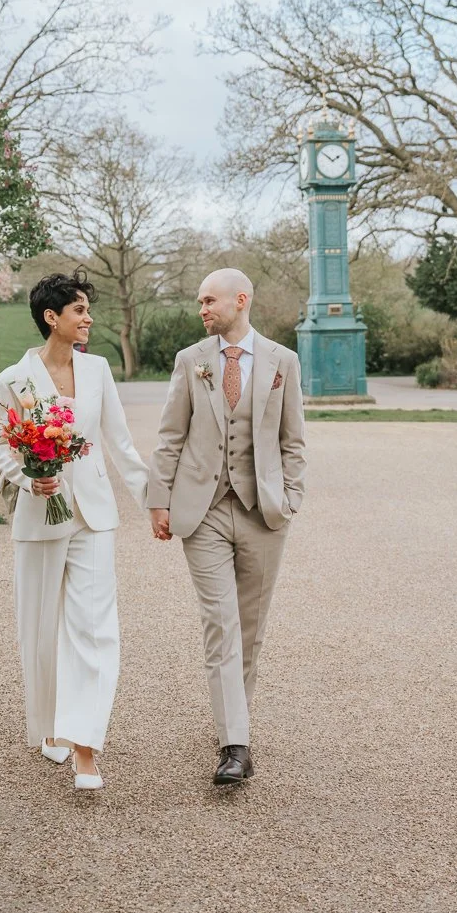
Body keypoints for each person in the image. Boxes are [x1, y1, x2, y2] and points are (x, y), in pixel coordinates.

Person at [148, 269, 306, 785]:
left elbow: (293, 441)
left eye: (209, 300)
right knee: (221, 623)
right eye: (199, 302)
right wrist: (159, 499)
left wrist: (292, 497)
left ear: (241, 300)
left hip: (264, 511)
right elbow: (170, 435)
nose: (202, 308)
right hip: (204, 510)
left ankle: (230, 716)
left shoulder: (284, 361)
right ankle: (235, 744)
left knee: (251, 628)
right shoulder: (191, 361)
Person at [0, 269, 148, 791]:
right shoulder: (12, 381)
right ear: (51, 317)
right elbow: (2, 448)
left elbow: (121, 444)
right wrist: (27, 476)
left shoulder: (99, 369)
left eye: (87, 309)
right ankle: (52, 727)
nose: (89, 318)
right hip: (41, 518)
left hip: (94, 516)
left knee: (95, 628)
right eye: (80, 310)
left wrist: (156, 501)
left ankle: (86, 746)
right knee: (40, 628)